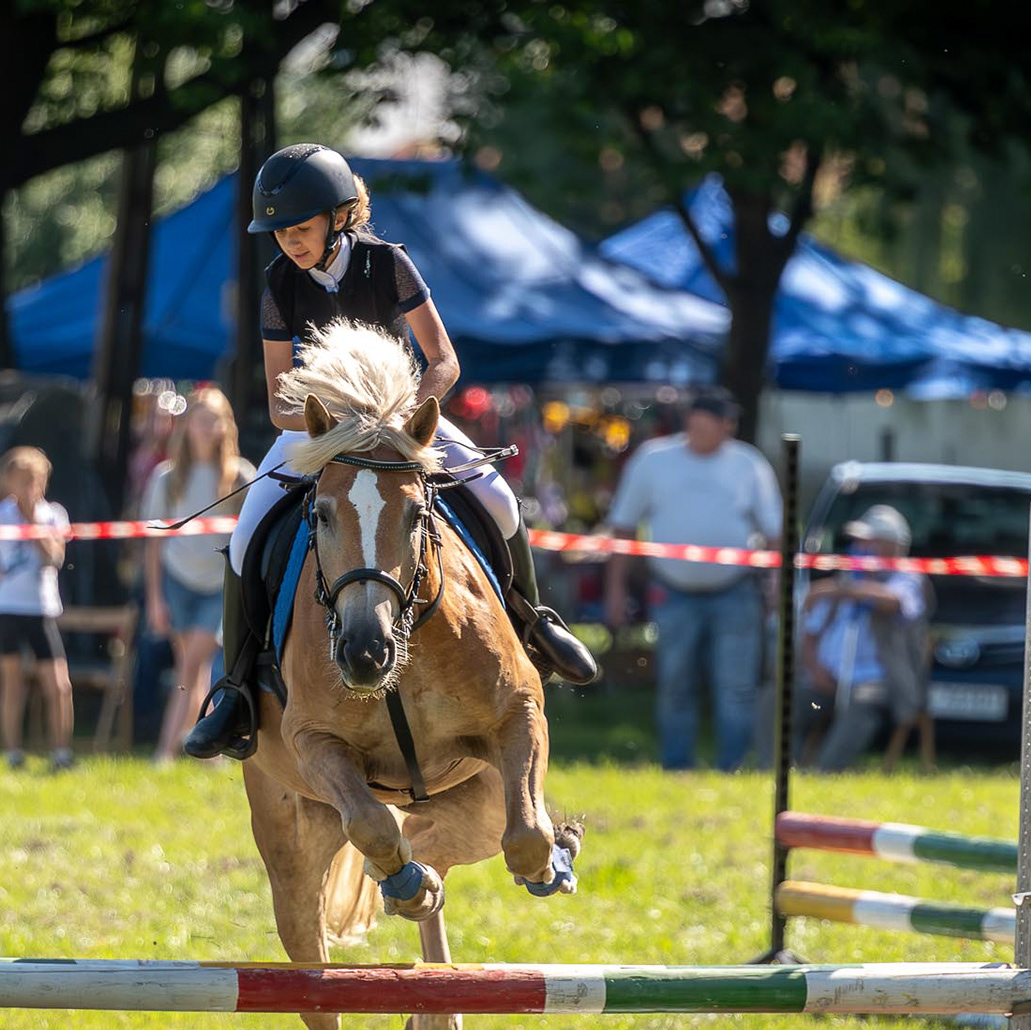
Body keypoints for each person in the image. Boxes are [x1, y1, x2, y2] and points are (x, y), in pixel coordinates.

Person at [185, 144, 598, 760]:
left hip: (401, 419)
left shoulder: (388, 263)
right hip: (321, 429)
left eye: (301, 229)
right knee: (246, 535)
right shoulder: (277, 284)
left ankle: (534, 622)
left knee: (499, 499)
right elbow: (277, 402)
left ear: (338, 217)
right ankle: (236, 689)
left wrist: (400, 419)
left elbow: (444, 361)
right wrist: (338, 431)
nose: (290, 243)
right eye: (281, 233)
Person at [602, 388, 781, 770]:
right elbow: (624, 527)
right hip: (672, 590)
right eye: (696, 425)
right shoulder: (654, 460)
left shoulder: (749, 464)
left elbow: (774, 533)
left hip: (736, 591)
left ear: (727, 426)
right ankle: (676, 764)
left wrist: (775, 586)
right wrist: (615, 590)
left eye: (711, 425)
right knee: (675, 682)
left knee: (737, 686)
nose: (702, 432)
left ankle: (735, 766)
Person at [144, 386, 255, 763]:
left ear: (227, 426)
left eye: (215, 420)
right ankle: (206, 749)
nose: (208, 428)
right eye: (201, 420)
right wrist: (155, 599)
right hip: (178, 582)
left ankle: (165, 751)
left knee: (191, 666)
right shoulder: (166, 477)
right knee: (193, 668)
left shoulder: (241, 476)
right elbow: (153, 543)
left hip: (218, 586)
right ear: (187, 425)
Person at [794, 504, 929, 773]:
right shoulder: (845, 578)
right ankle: (778, 768)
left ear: (893, 546)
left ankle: (826, 772)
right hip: (828, 683)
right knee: (791, 699)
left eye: (869, 541)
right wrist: (816, 670)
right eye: (859, 541)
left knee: (862, 704)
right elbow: (810, 632)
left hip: (879, 683)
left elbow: (895, 602)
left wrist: (844, 589)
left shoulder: (907, 578)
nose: (860, 547)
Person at [0, 446, 76, 771]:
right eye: (23, 480)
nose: (30, 487)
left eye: (36, 479)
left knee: (58, 684)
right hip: (8, 607)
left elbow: (55, 558)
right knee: (12, 683)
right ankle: (13, 754)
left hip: (42, 608)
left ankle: (61, 753)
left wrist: (32, 521)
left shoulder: (53, 514)